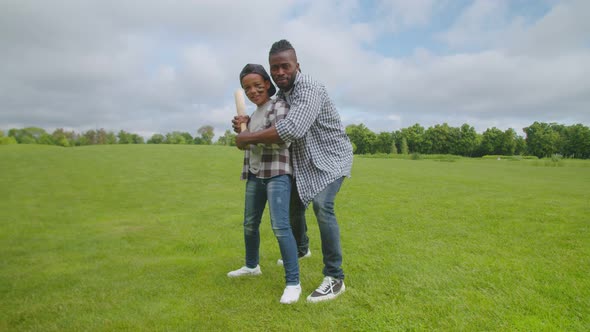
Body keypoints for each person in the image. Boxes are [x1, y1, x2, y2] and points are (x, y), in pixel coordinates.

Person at [234, 40, 353, 303]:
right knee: (294, 206)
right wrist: (244, 125)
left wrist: (248, 138)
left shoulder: (309, 88)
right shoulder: (281, 97)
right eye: (274, 68)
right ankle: (301, 249)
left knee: (323, 206)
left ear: (297, 66)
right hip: (303, 161)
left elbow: (292, 129)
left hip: (331, 158)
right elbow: (266, 118)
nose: (279, 72)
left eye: (285, 66)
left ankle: (335, 278)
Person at [227, 63, 301, 305]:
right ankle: (251, 266)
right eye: (247, 88)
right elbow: (247, 141)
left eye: (257, 85)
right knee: (249, 224)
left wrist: (247, 136)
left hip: (277, 173)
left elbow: (281, 139)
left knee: (280, 227)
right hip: (255, 173)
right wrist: (242, 129)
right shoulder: (254, 113)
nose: (252, 91)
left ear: (268, 84)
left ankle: (293, 283)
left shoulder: (279, 105)